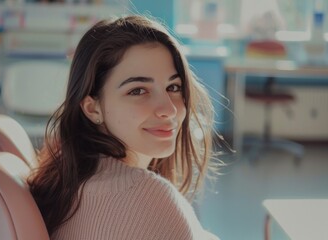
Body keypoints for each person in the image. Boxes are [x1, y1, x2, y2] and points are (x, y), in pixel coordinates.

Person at [28, 15, 219, 240]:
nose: (169, 109)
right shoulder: (149, 198)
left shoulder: (70, 175)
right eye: (138, 90)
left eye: (173, 86)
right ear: (92, 108)